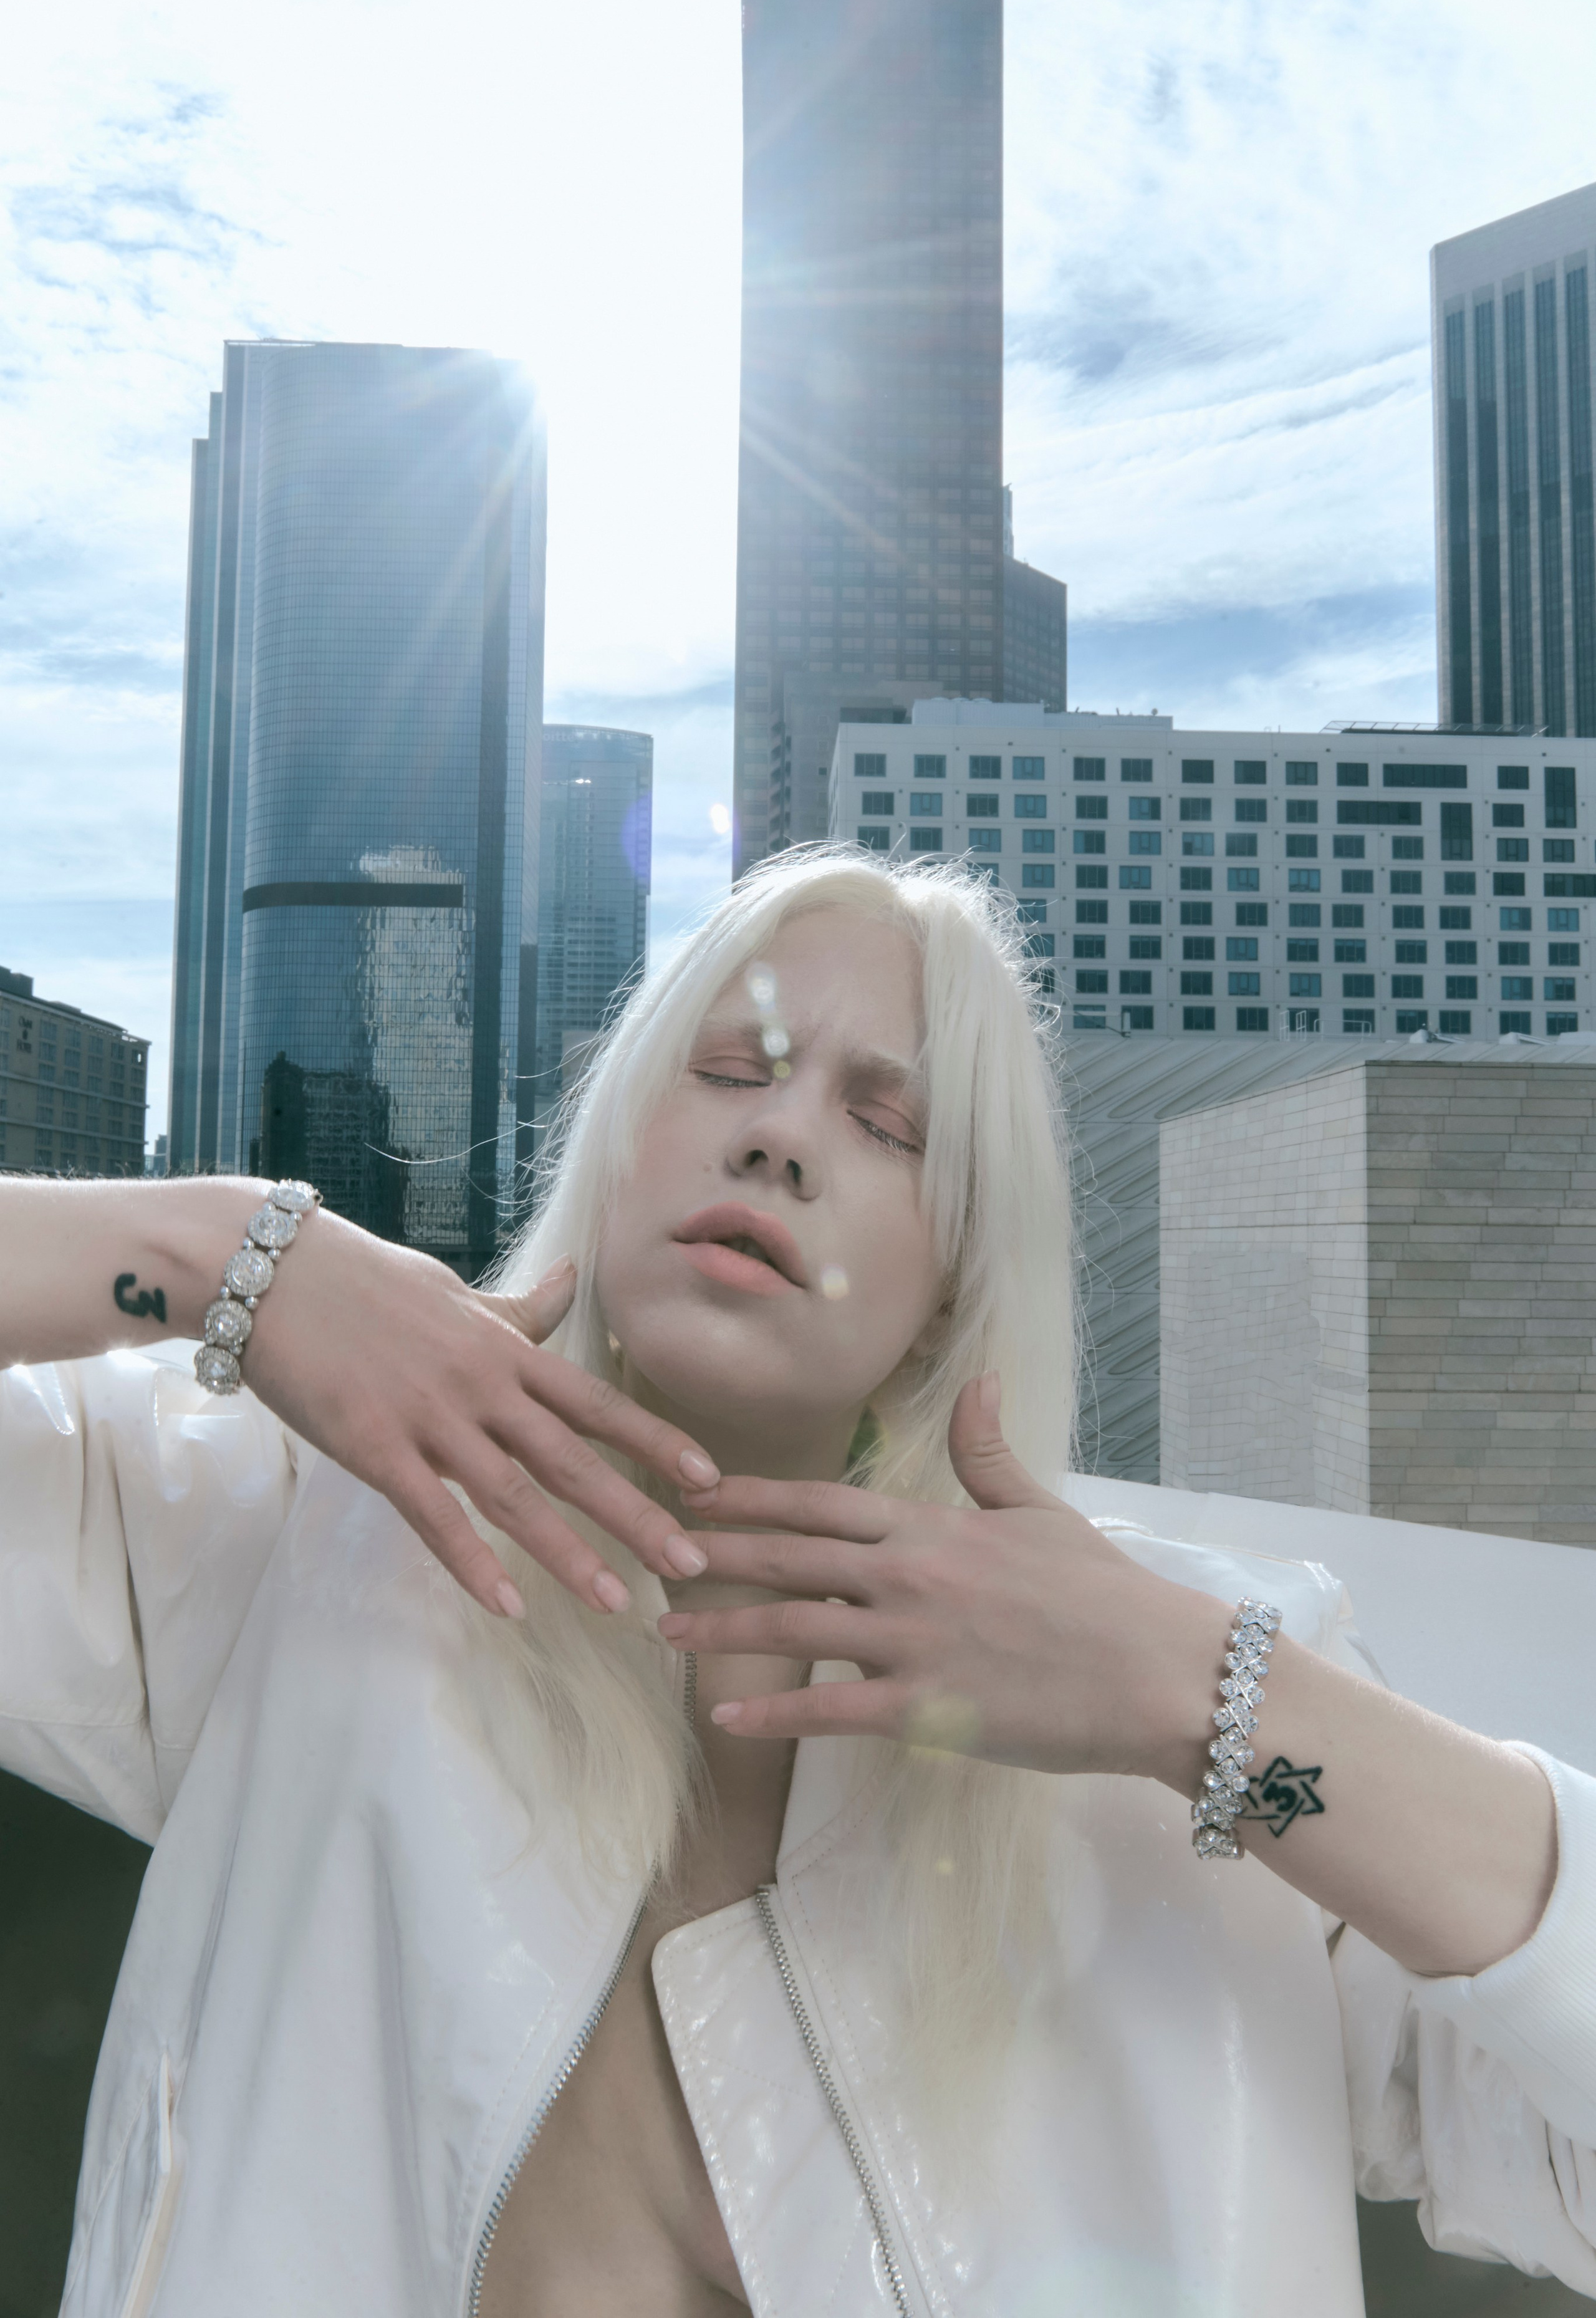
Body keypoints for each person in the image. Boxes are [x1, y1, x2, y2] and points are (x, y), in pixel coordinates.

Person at [2, 845, 1594, 2318]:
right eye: (725, 1072)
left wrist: (1203, 1702)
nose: (777, 1134)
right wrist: (228, 1252)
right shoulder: (289, 1526)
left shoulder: (1199, 1728)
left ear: (946, 1289)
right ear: (620, 1144)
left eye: (885, 1126)